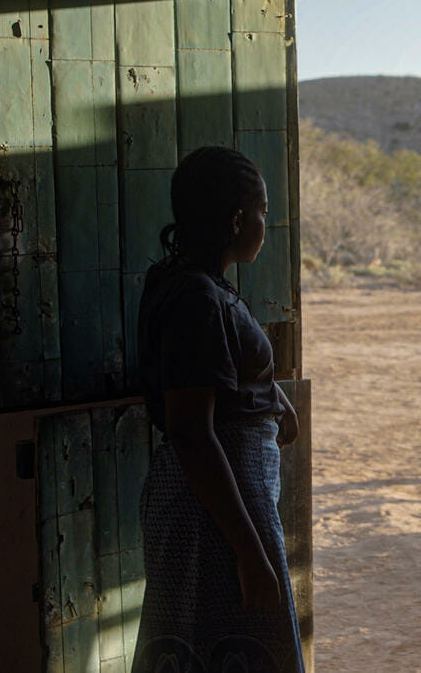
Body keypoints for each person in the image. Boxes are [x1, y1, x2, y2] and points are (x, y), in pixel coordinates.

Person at [130, 146, 304, 673]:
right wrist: (249, 553)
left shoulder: (194, 286)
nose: (264, 223)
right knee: (232, 642)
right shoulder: (197, 300)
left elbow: (222, 377)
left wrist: (276, 403)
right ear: (236, 219)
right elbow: (193, 433)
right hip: (212, 509)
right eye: (263, 212)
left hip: (217, 500)